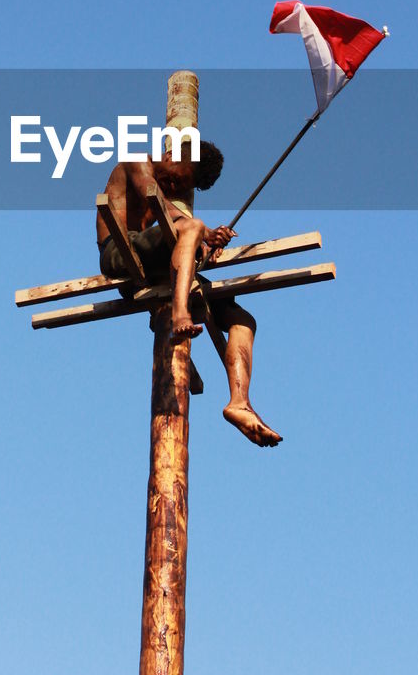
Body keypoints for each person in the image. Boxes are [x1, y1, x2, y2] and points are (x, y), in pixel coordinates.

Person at [96, 142, 282, 447]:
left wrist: (207, 246)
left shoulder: (170, 194)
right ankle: (180, 312)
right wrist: (201, 233)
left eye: (180, 185)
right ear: (169, 156)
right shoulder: (135, 161)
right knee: (193, 227)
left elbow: (179, 232)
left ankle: (239, 401)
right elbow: (152, 195)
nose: (171, 185)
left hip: (152, 264)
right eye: (173, 178)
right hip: (119, 253)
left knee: (243, 320)